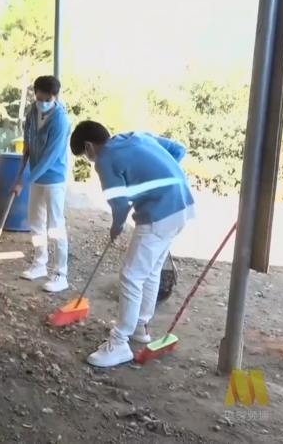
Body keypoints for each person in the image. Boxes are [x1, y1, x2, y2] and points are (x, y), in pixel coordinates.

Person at [69, 120, 195, 368]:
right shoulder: (138, 136)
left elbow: (119, 204)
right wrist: (164, 179)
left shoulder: (105, 158)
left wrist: (116, 225)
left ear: (89, 146)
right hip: (183, 207)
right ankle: (140, 326)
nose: (90, 160)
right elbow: (178, 150)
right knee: (150, 271)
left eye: (86, 155)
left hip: (159, 215)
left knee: (130, 276)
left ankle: (119, 343)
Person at [12, 76, 72, 293]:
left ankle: (60, 273)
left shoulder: (60, 121)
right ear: (35, 93)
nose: (43, 102)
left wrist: (24, 182)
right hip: (36, 175)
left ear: (54, 97)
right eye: (40, 97)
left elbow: (49, 158)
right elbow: (28, 129)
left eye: (48, 99)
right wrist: (27, 144)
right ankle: (39, 264)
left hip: (53, 178)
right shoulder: (32, 110)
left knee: (55, 227)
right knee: (36, 224)